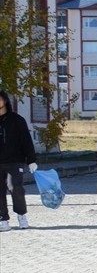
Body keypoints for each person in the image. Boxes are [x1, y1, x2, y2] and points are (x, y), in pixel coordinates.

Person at [0, 90, 37, 232]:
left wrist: (31, 160)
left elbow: (26, 140)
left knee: (16, 188)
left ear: (5, 101)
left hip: (14, 162)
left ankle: (21, 215)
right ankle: (3, 219)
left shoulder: (17, 120)